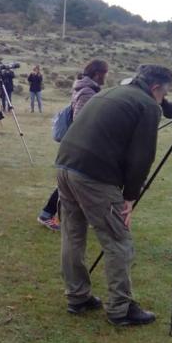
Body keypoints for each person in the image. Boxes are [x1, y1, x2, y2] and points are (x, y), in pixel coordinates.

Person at [56, 64, 172, 326]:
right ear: (156, 88)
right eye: (164, 94)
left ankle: (77, 297)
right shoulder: (147, 105)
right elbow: (141, 157)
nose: (163, 99)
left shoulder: (111, 92)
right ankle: (120, 309)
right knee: (118, 241)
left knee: (73, 234)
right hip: (93, 175)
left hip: (65, 165)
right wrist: (130, 197)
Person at [38, 59, 109, 231]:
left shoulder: (86, 88)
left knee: (74, 183)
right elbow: (81, 121)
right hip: (81, 146)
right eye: (105, 73)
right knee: (76, 183)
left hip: (79, 145)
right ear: (97, 73)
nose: (106, 77)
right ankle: (47, 214)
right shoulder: (87, 91)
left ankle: (50, 214)